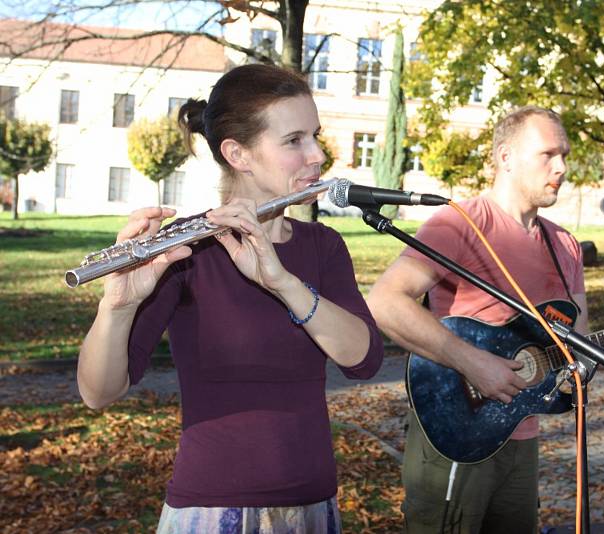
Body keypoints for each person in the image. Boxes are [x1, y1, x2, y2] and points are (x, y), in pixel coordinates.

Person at [76, 63, 384, 534]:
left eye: (315, 136)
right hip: (211, 510)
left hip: (312, 507)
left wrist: (282, 281)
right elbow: (99, 393)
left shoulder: (323, 247)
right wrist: (116, 305)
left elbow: (362, 358)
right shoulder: (187, 250)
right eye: (295, 140)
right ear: (238, 153)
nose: (317, 154)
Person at [366, 106, 604, 533]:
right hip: (453, 430)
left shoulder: (565, 247)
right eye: (548, 154)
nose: (561, 167)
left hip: (521, 434)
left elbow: (580, 354)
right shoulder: (461, 224)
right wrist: (474, 363)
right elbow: (385, 301)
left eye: (565, 155)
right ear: (505, 157)